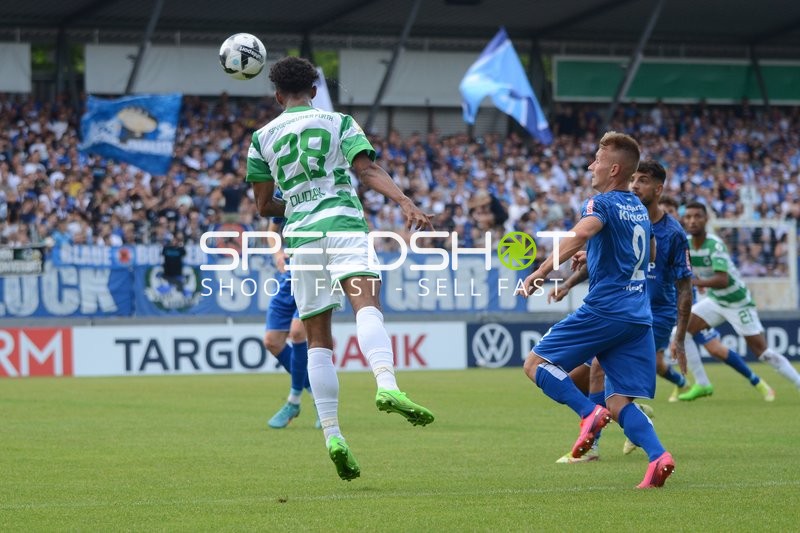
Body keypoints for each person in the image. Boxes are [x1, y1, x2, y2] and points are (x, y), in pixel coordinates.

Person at [246, 56, 435, 482]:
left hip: (301, 238)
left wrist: (299, 204)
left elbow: (263, 206)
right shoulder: (339, 122)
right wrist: (405, 202)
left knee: (317, 339)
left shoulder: (261, 138)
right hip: (345, 226)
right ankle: (387, 385)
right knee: (367, 307)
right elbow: (366, 169)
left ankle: (333, 434)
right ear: (314, 91)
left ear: (277, 96)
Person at [519, 132, 675, 489]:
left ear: (614, 169)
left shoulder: (600, 203)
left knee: (535, 364)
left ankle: (588, 413)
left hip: (607, 310)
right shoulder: (639, 208)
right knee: (618, 401)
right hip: (639, 316)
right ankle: (658, 457)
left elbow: (580, 233)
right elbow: (648, 254)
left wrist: (540, 272)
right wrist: (596, 253)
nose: (591, 166)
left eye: (598, 160)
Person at [548, 160, 692, 462]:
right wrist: (568, 283)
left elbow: (684, 285)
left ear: (659, 189)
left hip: (652, 313)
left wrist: (679, 336)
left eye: (643, 180)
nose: (635, 185)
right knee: (581, 378)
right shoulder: (626, 215)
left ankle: (592, 443)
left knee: (596, 370)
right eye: (634, 178)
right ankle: (633, 420)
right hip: (622, 310)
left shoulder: (673, 233)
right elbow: (610, 261)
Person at [677, 202, 800, 398]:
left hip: (738, 303)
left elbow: (723, 280)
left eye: (697, 216)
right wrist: (699, 280)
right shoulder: (687, 244)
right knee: (681, 333)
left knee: (763, 353)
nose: (692, 221)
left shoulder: (714, 244)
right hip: (716, 300)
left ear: (706, 219)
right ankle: (702, 384)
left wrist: (696, 281)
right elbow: (693, 268)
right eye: (688, 217)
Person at [657, 196, 767, 401]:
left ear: (677, 215)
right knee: (657, 361)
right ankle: (682, 384)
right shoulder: (658, 239)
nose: (665, 215)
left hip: (689, 306)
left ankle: (756, 381)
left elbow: (692, 273)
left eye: (670, 212)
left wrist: (697, 284)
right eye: (662, 211)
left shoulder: (681, 239)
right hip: (664, 308)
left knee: (715, 349)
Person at [262, 218, 318, 429]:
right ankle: (317, 395)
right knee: (272, 341)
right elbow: (272, 230)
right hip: (289, 277)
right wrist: (278, 254)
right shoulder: (285, 198)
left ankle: (293, 401)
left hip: (314, 275)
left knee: (297, 333)